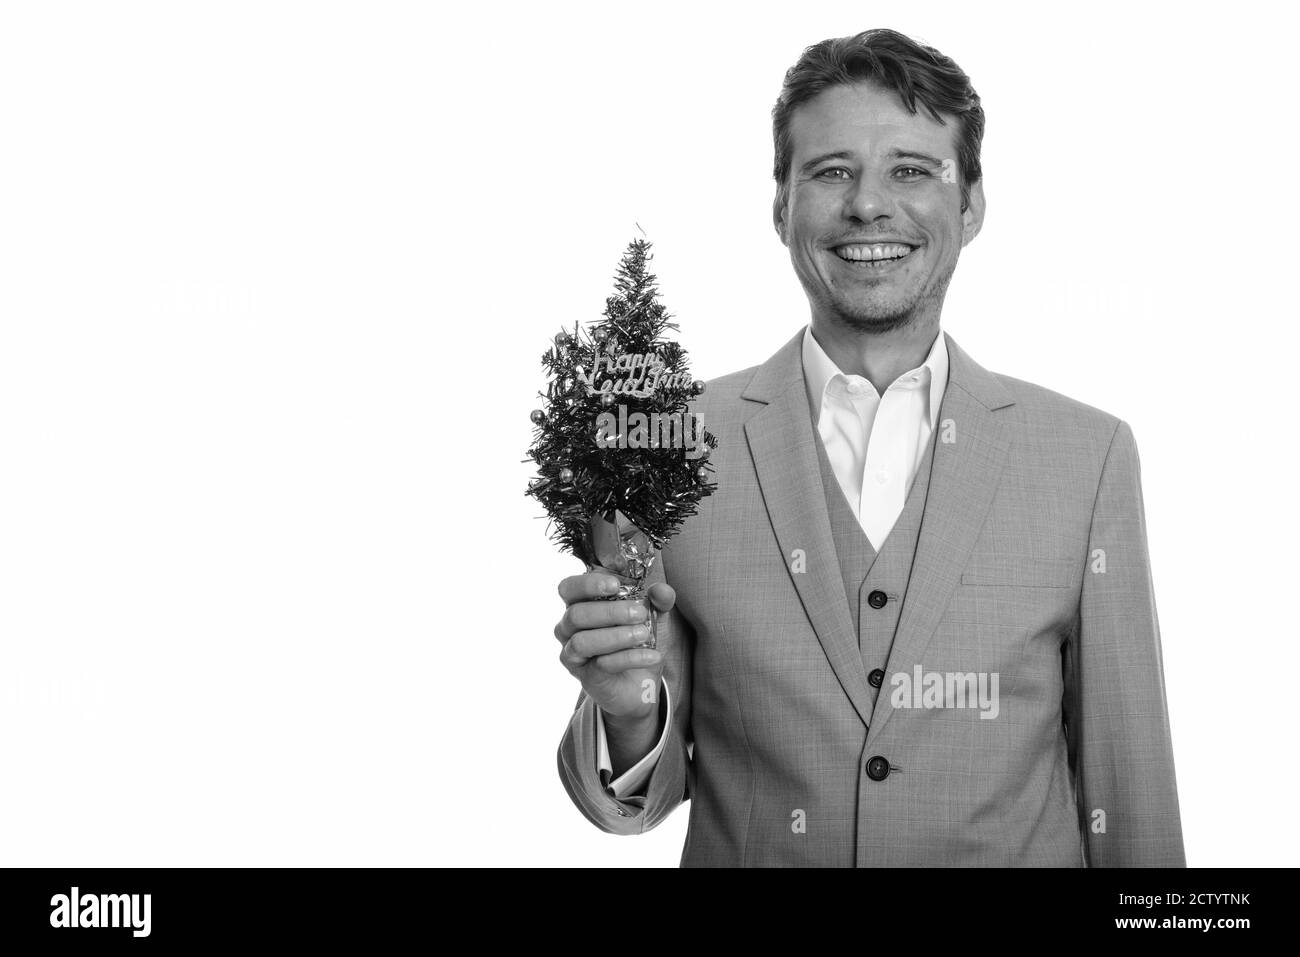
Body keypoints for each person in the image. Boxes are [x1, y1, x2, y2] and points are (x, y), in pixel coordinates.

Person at [552, 27, 1185, 867]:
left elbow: (1127, 780)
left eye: (912, 170)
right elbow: (639, 800)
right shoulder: (670, 445)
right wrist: (632, 712)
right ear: (780, 204)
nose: (868, 205)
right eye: (832, 171)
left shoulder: (1087, 455)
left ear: (973, 204)